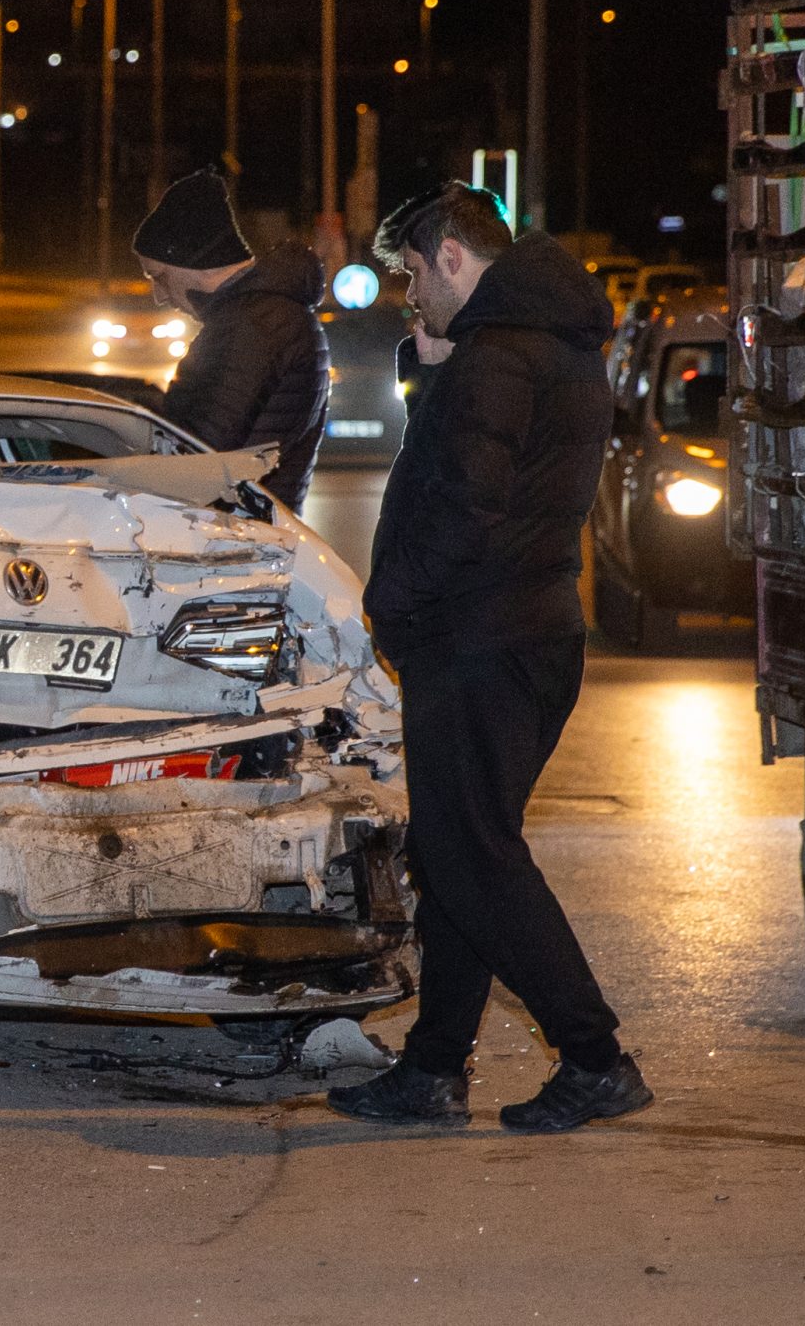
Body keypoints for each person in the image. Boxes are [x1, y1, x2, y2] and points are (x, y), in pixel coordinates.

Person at [329, 186, 650, 1134]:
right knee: (460, 853)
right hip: (528, 633)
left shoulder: (499, 359)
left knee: (474, 859)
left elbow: (464, 501)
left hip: (481, 640)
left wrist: (390, 599)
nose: (408, 294)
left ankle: (593, 1056)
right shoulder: (546, 345)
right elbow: (477, 463)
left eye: (413, 274)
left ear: (454, 258)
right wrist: (432, 367)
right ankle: (432, 1069)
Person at [133, 168, 328, 509]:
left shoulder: (253, 324)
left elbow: (201, 455)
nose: (159, 296)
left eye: (159, 276)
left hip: (231, 543)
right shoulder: (265, 316)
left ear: (190, 259)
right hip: (250, 537)